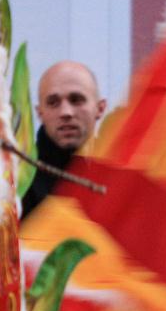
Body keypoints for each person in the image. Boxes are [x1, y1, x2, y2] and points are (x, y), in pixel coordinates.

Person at [21, 60, 107, 217]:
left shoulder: (121, 183)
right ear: (40, 113)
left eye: (76, 100)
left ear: (100, 108)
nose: (66, 112)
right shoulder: (19, 184)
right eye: (53, 103)